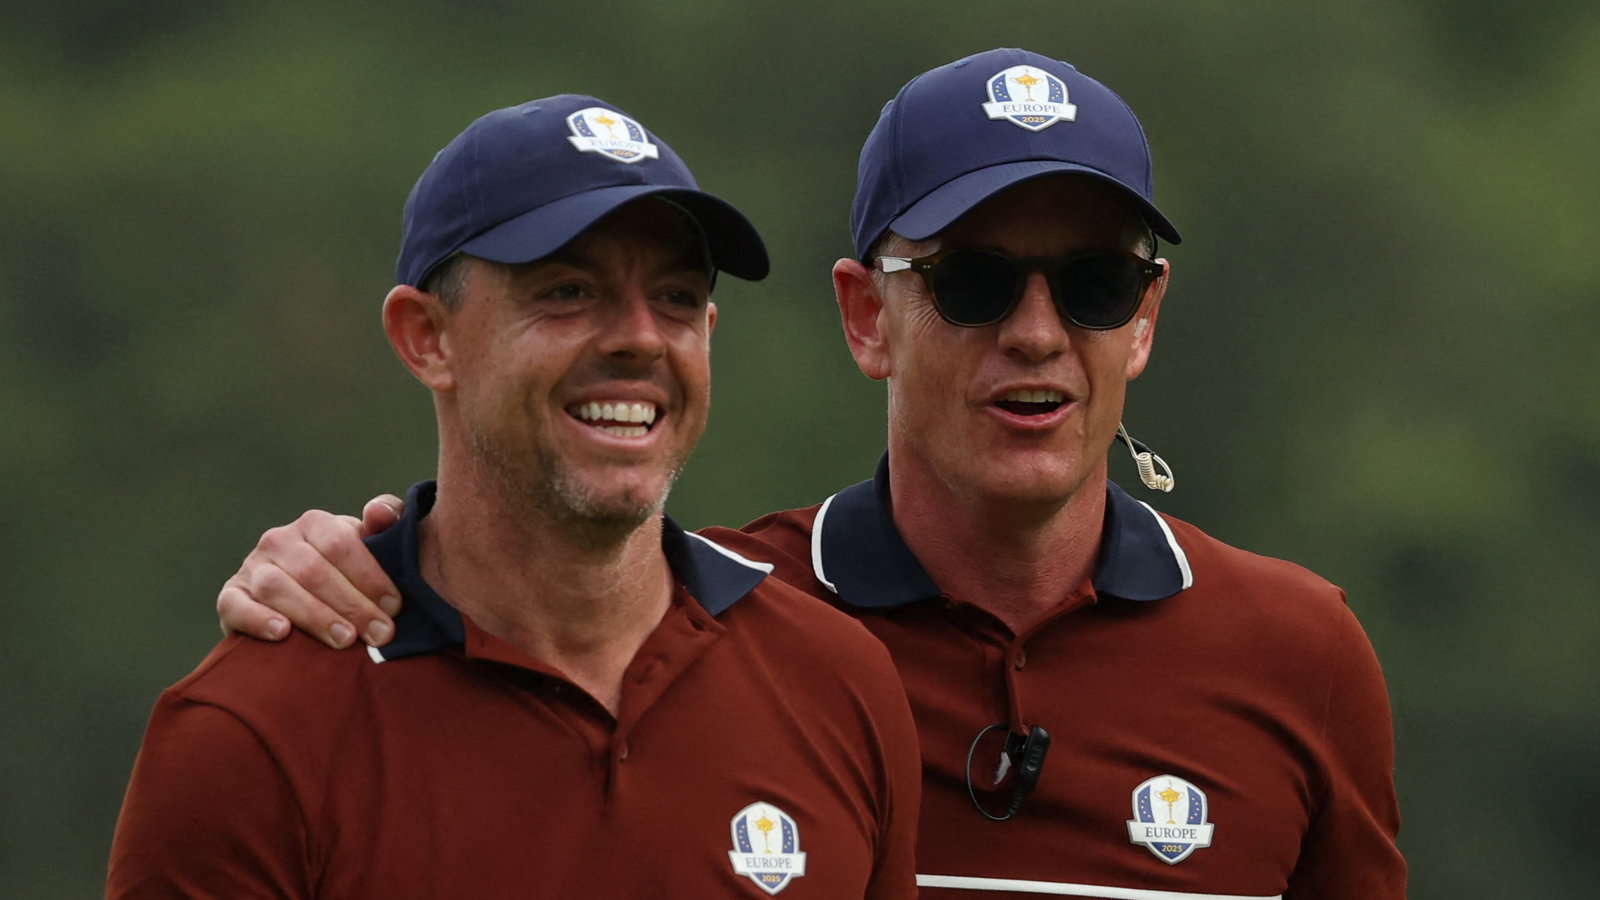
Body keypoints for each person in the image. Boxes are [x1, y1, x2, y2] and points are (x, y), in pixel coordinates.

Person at [217, 50, 1406, 899]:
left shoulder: (1298, 652)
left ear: (1142, 319)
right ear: (865, 315)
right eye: (974, 282)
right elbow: (515, 562)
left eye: (1093, 284)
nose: (1037, 335)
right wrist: (347, 563)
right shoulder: (724, 632)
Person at [108, 94, 923, 899]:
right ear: (427, 338)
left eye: (674, 297)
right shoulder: (250, 736)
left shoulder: (837, 681)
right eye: (568, 291)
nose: (639, 336)